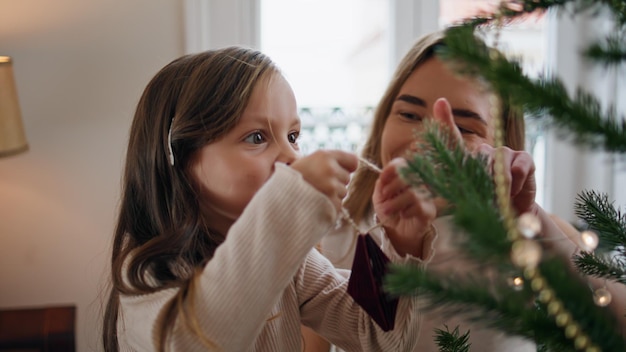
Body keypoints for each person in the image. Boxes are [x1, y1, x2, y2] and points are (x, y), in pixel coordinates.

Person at [309, 29, 626, 351]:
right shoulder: (331, 242)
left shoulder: (534, 237)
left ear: (500, 144)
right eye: (408, 114)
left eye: (463, 127)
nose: (428, 140)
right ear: (381, 126)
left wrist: (529, 218)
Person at [101, 46, 432, 351]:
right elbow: (195, 341)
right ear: (180, 158)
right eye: (256, 137)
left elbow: (374, 333)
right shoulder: (146, 273)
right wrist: (291, 202)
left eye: (293, 136)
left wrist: (399, 243)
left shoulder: (294, 263)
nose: (291, 156)